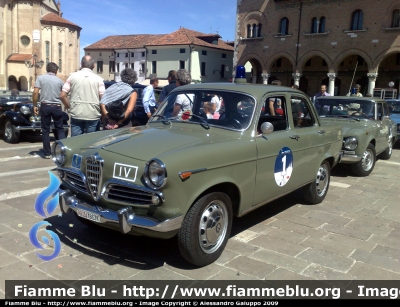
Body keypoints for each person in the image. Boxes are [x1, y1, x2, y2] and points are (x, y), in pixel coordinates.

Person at [60, 55, 105, 137]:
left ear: (81, 64)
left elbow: (63, 95)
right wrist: (104, 114)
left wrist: (69, 106)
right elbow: (103, 99)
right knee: (92, 142)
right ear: (93, 65)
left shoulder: (72, 77)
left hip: (77, 112)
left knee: (76, 142)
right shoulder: (99, 80)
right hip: (93, 114)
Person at [32, 62, 66, 159]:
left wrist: (35, 105)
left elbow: (35, 92)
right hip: (57, 106)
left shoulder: (41, 78)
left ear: (47, 69)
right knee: (60, 128)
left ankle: (47, 153)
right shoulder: (60, 81)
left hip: (45, 105)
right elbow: (64, 94)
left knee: (45, 130)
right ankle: (63, 151)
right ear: (55, 70)